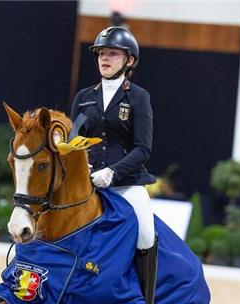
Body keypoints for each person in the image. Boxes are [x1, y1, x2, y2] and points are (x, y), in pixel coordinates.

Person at [70, 26, 158, 304]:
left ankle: (147, 298)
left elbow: (143, 149)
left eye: (112, 54)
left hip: (126, 184)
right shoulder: (84, 97)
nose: (105, 59)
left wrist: (113, 172)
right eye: (101, 54)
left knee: (145, 233)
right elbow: (75, 142)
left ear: (129, 60)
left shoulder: (138, 97)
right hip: (88, 183)